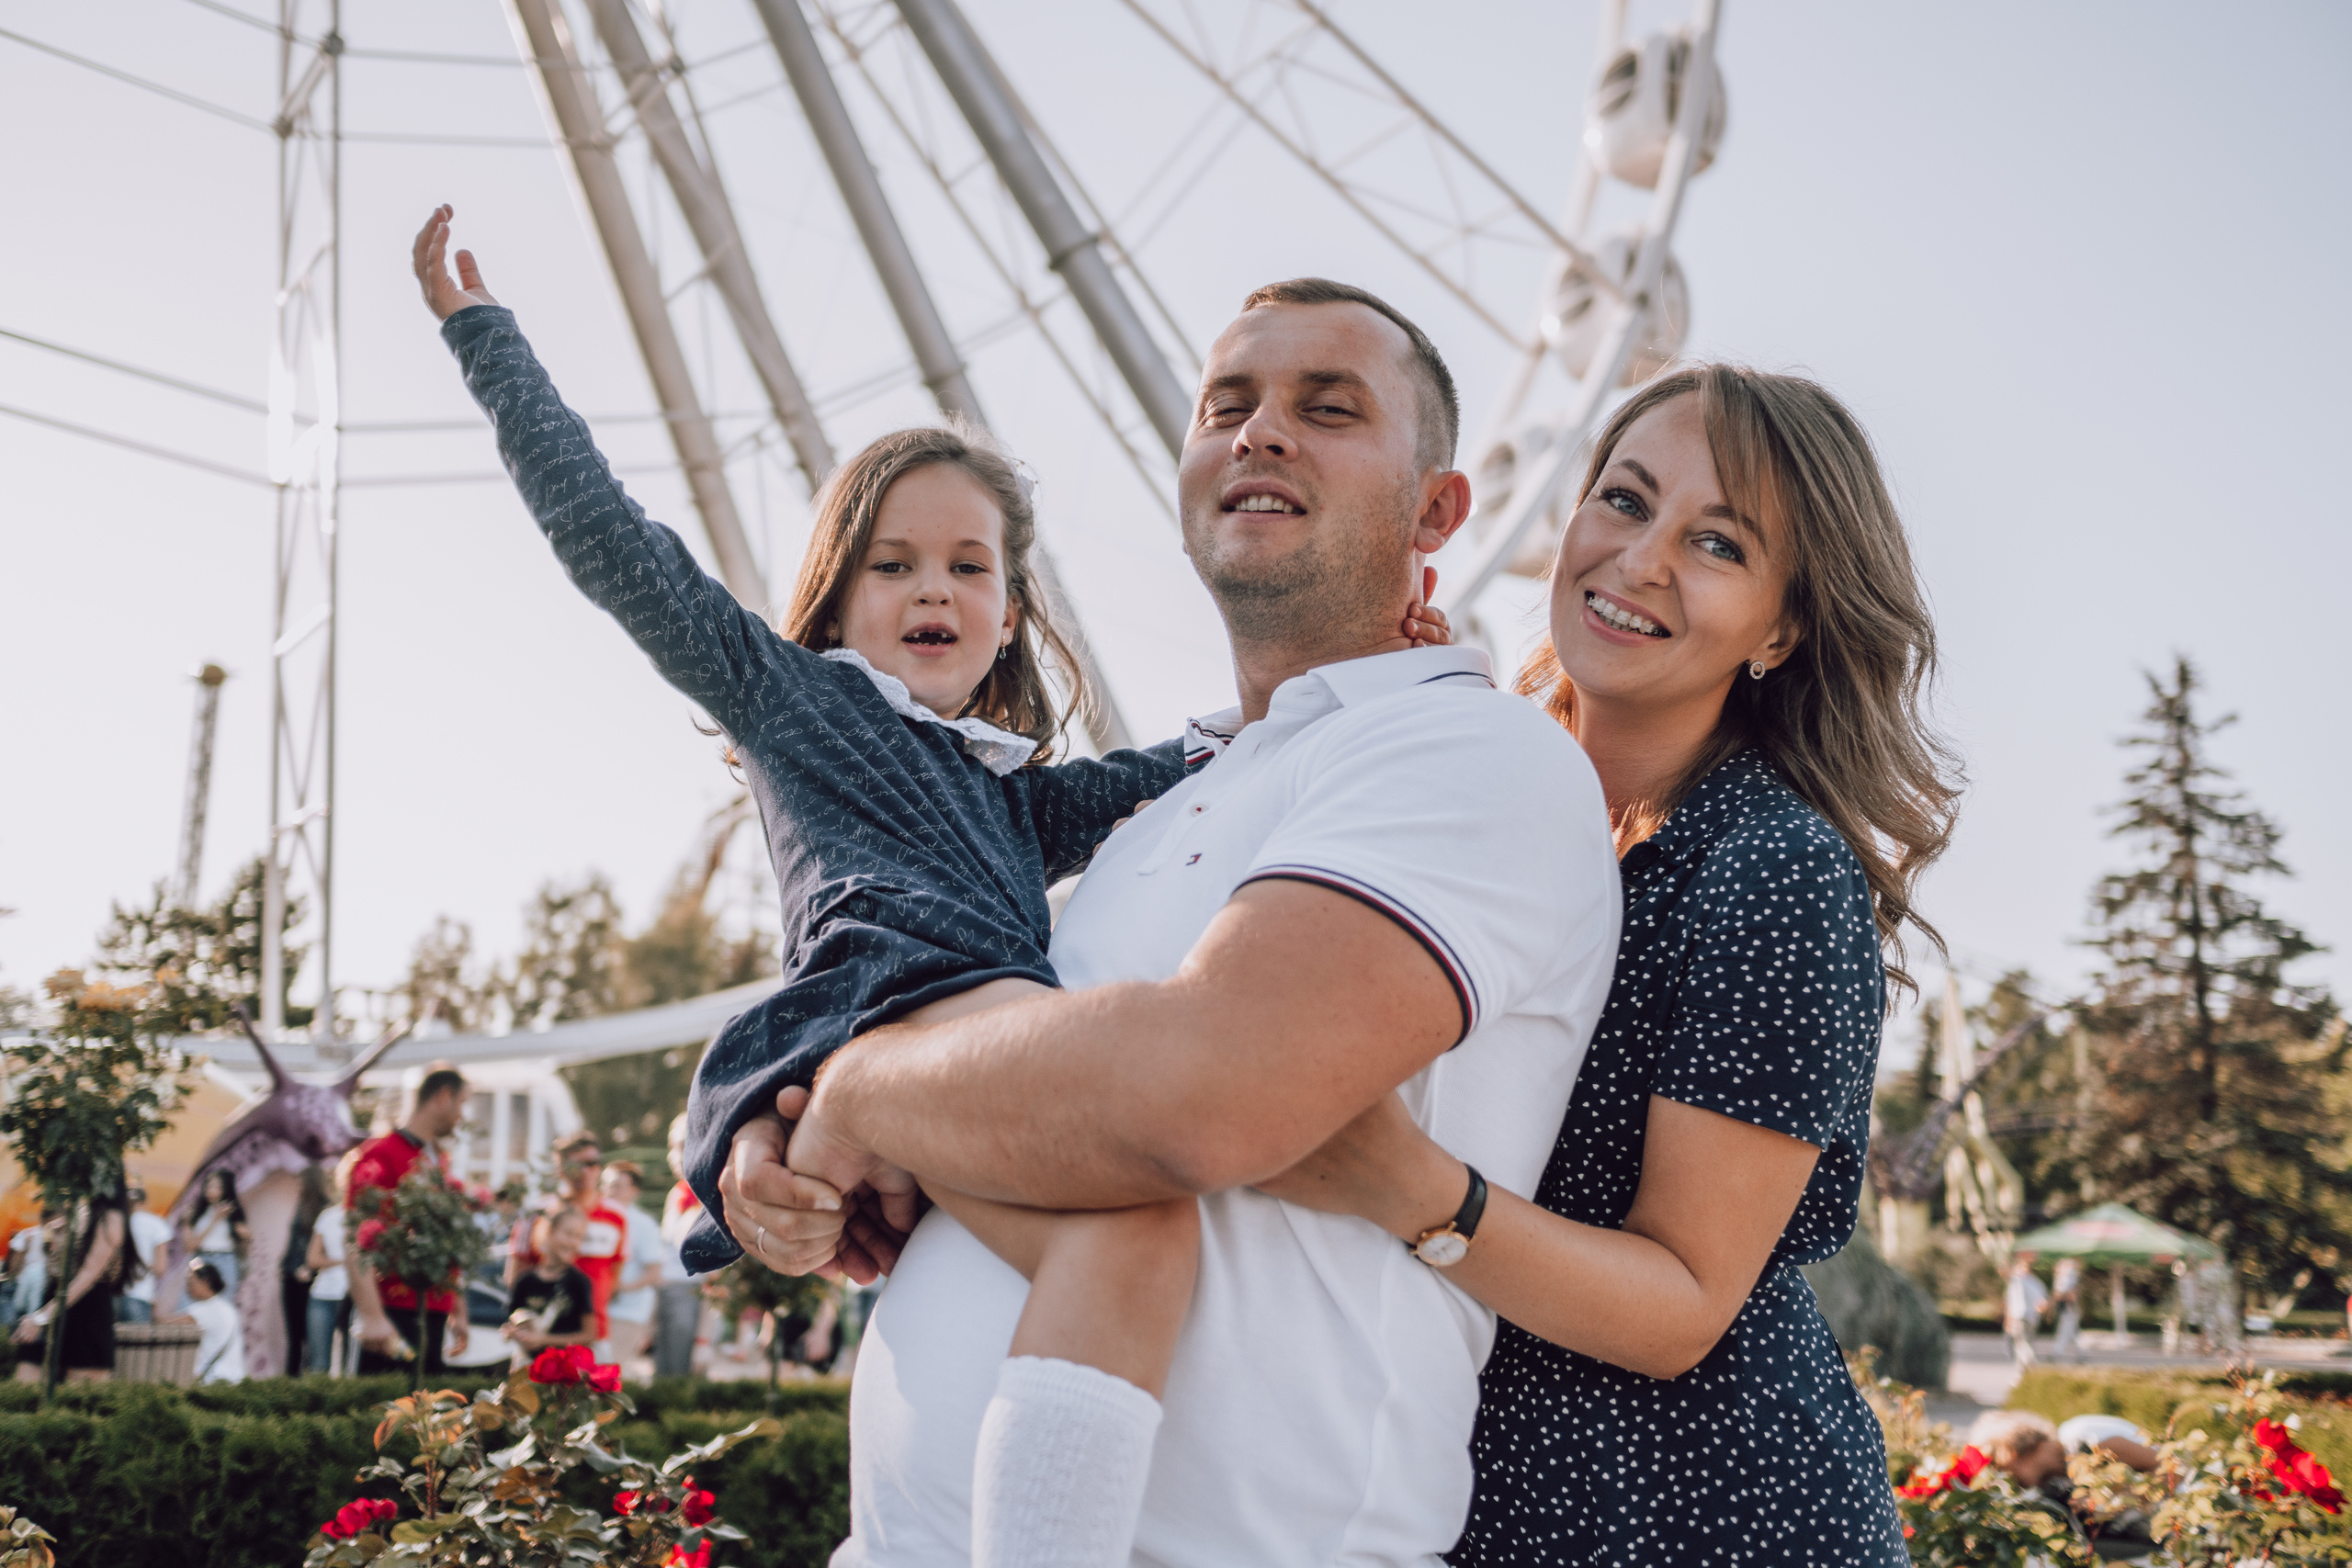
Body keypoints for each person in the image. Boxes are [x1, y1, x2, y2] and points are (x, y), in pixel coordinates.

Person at [413, 213, 1459, 1565]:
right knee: (1133, 1225)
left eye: (971, 567)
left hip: (965, 1064)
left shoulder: (1007, 792)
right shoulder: (796, 702)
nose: (935, 590)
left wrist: (1363, 673)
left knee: (1133, 1241)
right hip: (903, 1019)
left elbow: (1179, 766)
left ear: (1010, 612)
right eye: (894, 563)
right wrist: (487, 342)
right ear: (836, 597)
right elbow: (616, 546)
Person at [728, 277, 1620, 1567]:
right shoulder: (1157, 811)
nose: (1262, 432)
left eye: (1328, 408)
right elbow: (1018, 1090)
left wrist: (862, 1090)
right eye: (1227, 406)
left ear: (1435, 510)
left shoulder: (1473, 751)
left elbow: (1198, 1095)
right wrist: (790, 1138)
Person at [347, 1066, 472, 1375]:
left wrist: (456, 1307)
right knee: (388, 1404)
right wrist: (372, 1316)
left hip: (432, 1309)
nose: (462, 1115)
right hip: (393, 1311)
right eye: (462, 1103)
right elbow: (355, 1240)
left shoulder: (437, 1159)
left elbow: (444, 1238)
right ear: (443, 1096)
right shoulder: (380, 1155)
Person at [11, 1196, 137, 1384]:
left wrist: (42, 1317)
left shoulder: (110, 1216)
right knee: (26, 1386)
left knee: (83, 1394)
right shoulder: (77, 1208)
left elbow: (90, 1274)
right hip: (54, 1298)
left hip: (87, 1308)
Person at [598, 1160, 668, 1375]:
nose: (610, 1191)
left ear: (634, 1191)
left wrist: (618, 1288)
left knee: (606, 1372)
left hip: (626, 1312)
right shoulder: (596, 1217)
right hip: (596, 1310)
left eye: (617, 1186)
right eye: (606, 1185)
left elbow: (654, 1273)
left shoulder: (643, 1224)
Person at [503, 1209, 596, 1362]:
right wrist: (514, 1333)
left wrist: (544, 1340)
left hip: (564, 1366)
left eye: (579, 1237)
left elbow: (589, 1335)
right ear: (549, 1231)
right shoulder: (525, 1281)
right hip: (527, 1363)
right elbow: (512, 1320)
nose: (573, 1242)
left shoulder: (579, 1282)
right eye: (569, 1234)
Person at [653, 1115, 705, 1380]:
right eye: (672, 1147)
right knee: (663, 1369)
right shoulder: (677, 1193)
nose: (674, 1156)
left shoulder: (714, 1192)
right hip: (666, 1288)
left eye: (683, 1146)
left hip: (692, 1291)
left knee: (681, 1372)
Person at [303, 1155, 355, 1374]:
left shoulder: (369, 1218)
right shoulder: (329, 1216)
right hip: (323, 1295)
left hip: (353, 1297)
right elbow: (312, 1259)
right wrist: (345, 1261)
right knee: (319, 1364)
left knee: (350, 1364)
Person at [171, 1258, 245, 1383]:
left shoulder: (204, 1309)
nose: (187, 1289)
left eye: (190, 1282)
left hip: (213, 1379)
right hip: (234, 1378)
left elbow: (164, 1325)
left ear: (205, 1282)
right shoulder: (227, 1308)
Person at [183, 1168, 250, 1294]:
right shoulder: (199, 1212)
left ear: (226, 1189)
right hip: (200, 1259)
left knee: (224, 1298)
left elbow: (243, 1245)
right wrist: (215, 1220)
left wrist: (247, 1238)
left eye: (217, 1187)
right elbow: (191, 1247)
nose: (211, 1191)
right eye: (209, 1186)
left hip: (225, 1259)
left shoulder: (233, 1212)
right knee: (192, 1298)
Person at [116, 1184, 172, 1326]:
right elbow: (160, 1268)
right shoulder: (156, 1224)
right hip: (141, 1295)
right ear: (144, 1202)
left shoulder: (117, 1222)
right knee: (137, 1339)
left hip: (114, 1295)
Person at [2007, 1257, 2052, 1368]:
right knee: (2025, 1341)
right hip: (2031, 1317)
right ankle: (2022, 1369)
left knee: (2021, 1342)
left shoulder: (2018, 1281)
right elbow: (2043, 1303)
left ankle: (2030, 1362)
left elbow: (2011, 1303)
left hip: (2020, 1315)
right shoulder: (2037, 1283)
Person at [2052, 1255, 2085, 1362]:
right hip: (2068, 1307)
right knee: (2072, 1332)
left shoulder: (2066, 1279)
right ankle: (2081, 1353)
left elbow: (2068, 1294)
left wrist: (2058, 1298)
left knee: (2065, 1330)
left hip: (2068, 1307)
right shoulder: (2068, 1278)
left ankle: (2057, 1353)